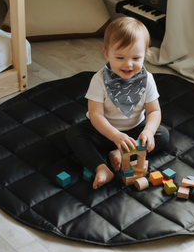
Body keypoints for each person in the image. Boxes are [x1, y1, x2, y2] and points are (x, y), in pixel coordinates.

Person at [66, 16, 169, 189]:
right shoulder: (99, 80)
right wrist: (115, 136)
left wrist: (148, 132)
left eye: (136, 58)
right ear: (106, 53)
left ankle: (121, 154)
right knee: (74, 133)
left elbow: (154, 111)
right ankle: (102, 168)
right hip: (103, 131)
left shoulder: (147, 80)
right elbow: (95, 115)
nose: (128, 64)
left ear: (145, 54)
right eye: (120, 57)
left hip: (134, 132)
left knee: (162, 135)